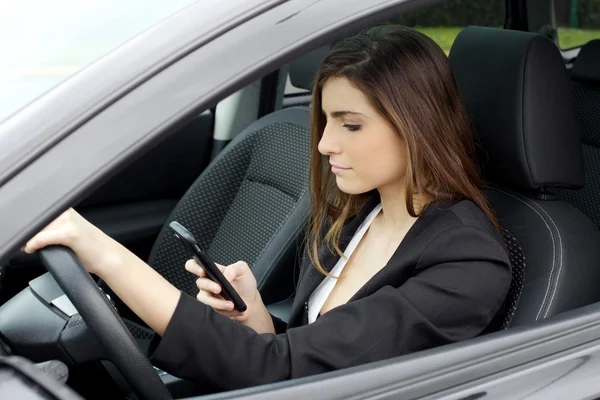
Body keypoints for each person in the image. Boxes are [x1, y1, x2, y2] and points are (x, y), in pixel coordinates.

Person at [23, 26, 511, 391]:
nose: (322, 145)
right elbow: (311, 356)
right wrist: (257, 320)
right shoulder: (359, 216)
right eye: (325, 121)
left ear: (417, 125)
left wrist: (104, 254)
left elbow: (282, 370)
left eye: (351, 125)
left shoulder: (467, 263)